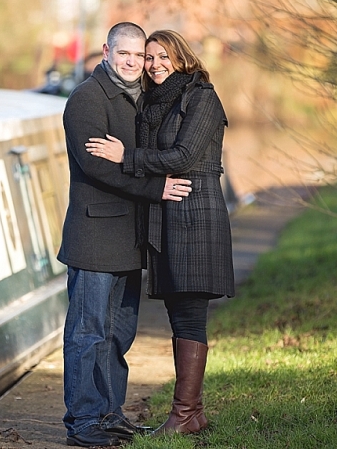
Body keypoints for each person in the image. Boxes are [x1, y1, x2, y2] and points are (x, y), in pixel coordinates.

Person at [86, 29, 235, 435]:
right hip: (169, 219)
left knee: (189, 317)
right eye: (149, 58)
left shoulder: (200, 96)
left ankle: (183, 415)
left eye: (161, 56)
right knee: (180, 316)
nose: (153, 65)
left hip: (195, 217)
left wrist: (126, 156)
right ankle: (194, 413)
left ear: (181, 56)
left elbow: (184, 155)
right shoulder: (156, 101)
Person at [57, 22, 194, 447]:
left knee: (119, 335)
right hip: (95, 238)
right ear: (106, 52)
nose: (134, 62)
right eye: (126, 54)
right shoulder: (87, 100)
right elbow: (99, 167)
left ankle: (109, 413)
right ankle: (82, 421)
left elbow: (141, 157)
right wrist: (157, 188)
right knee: (87, 333)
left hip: (130, 241)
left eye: (140, 55)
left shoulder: (144, 99)